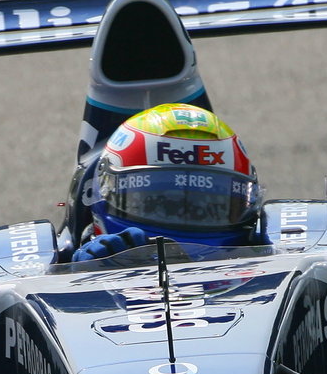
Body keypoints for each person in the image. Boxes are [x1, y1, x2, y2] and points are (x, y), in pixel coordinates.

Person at [73, 103, 264, 261]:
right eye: (159, 204)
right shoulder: (80, 263)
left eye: (208, 208)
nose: (183, 218)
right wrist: (80, 278)